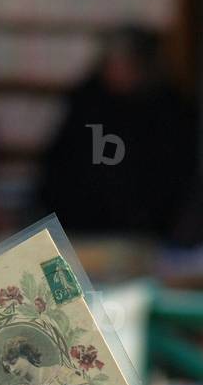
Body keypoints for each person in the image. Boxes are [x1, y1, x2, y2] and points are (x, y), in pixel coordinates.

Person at [36, 25, 197, 240]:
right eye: (112, 64)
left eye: (127, 64)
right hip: (81, 226)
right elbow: (60, 164)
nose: (118, 72)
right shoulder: (86, 101)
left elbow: (176, 174)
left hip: (148, 231)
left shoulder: (169, 108)